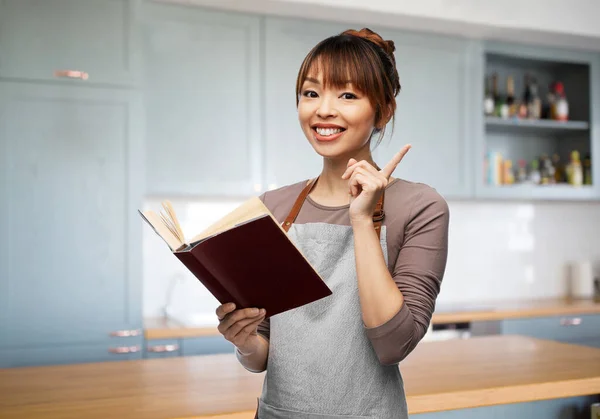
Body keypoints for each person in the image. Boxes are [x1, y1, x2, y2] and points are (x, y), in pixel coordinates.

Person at [215, 27, 450, 419]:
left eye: (347, 95)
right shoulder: (272, 208)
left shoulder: (421, 206)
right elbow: (264, 354)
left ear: (383, 110)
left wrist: (362, 219)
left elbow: (394, 345)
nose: (323, 109)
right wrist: (243, 340)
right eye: (311, 93)